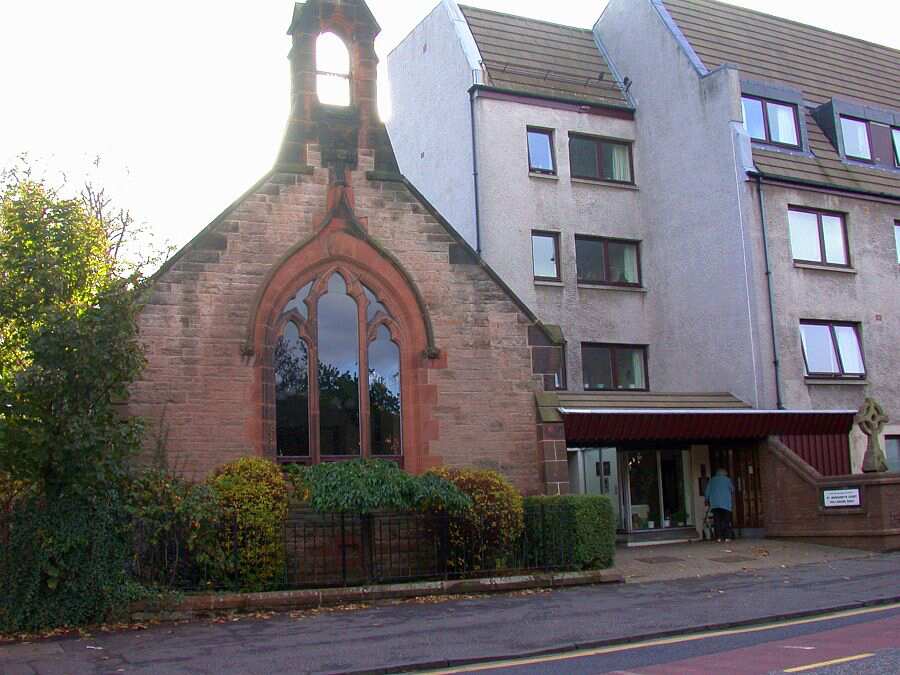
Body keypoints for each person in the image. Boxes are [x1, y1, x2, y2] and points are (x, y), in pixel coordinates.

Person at [705, 468, 735, 542]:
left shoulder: (712, 480)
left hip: (715, 504)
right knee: (726, 520)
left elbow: (707, 491)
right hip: (726, 504)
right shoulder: (727, 480)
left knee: (717, 521)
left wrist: (706, 500)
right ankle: (727, 537)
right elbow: (732, 489)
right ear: (725, 473)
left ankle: (718, 537)